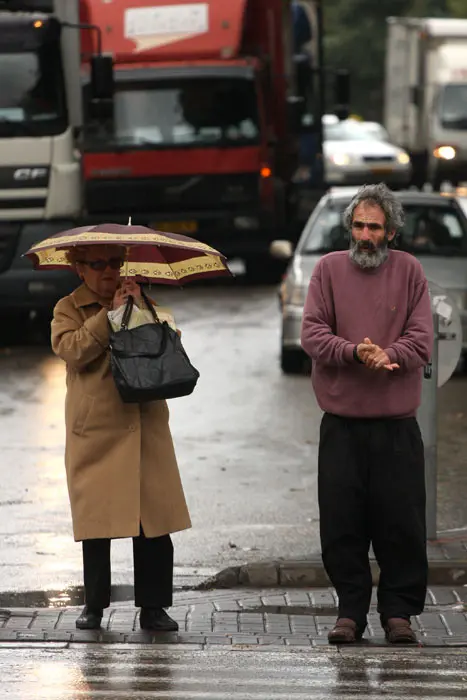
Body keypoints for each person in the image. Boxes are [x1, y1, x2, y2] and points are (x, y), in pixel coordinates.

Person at [301, 183, 434, 645]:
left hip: (397, 426)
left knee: (401, 524)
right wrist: (355, 352)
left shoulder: (411, 271)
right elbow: (313, 335)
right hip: (342, 426)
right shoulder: (327, 270)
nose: (364, 235)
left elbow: (421, 340)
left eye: (374, 227)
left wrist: (388, 354)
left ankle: (399, 613)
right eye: (358, 225)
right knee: (343, 525)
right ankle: (350, 613)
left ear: (391, 232)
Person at [51, 244, 191, 631]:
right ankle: (93, 605)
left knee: (152, 522)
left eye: (115, 262)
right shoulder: (67, 308)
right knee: (98, 523)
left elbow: (166, 349)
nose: (109, 270)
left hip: (145, 424)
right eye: (98, 264)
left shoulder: (142, 298)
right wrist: (109, 316)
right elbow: (72, 351)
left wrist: (145, 314)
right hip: (97, 430)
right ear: (80, 269)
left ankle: (154, 607)